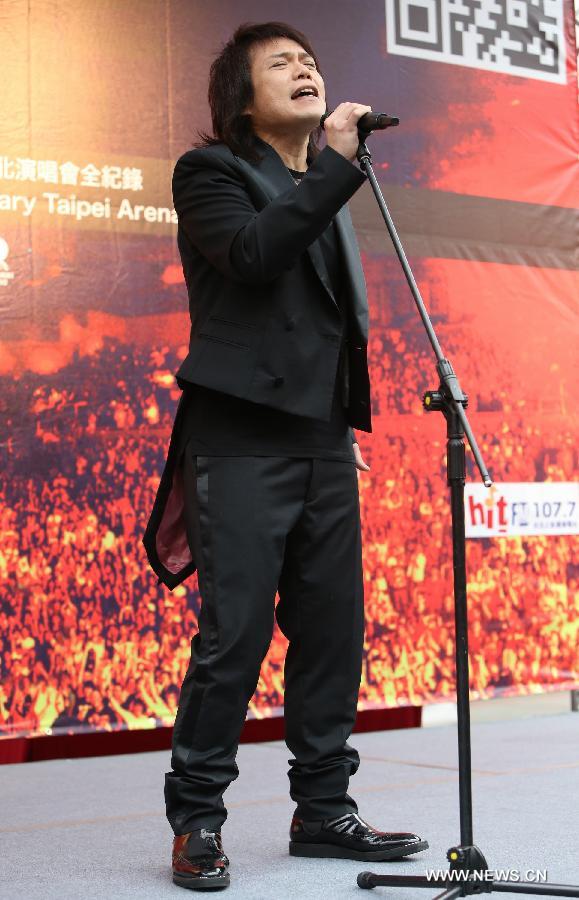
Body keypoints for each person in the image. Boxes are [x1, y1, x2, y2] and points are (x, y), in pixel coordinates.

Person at [142, 20, 429, 892]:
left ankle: (323, 810)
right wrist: (337, 170)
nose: (306, 70)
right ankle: (197, 819)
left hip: (321, 445)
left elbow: (332, 328)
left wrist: (340, 432)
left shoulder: (328, 185)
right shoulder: (212, 174)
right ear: (242, 94)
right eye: (283, 65)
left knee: (333, 634)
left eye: (310, 60)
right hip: (236, 443)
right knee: (236, 639)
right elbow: (256, 256)